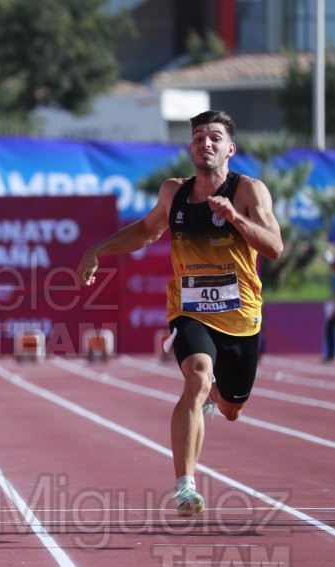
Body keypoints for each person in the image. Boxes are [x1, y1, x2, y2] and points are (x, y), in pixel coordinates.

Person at [76, 110, 283, 517]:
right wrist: (96, 250)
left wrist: (235, 218)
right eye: (199, 137)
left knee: (232, 408)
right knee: (198, 377)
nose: (205, 143)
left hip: (241, 316)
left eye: (215, 137)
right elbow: (146, 230)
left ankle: (217, 400)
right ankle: (185, 486)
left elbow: (274, 248)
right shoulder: (175, 192)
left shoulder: (249, 192)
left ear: (230, 148)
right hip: (190, 309)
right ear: (191, 147)